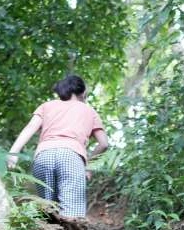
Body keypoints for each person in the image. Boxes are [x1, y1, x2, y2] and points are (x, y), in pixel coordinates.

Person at [6, 74, 109, 221]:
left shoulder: (47, 106)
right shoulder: (89, 111)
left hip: (43, 156)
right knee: (72, 216)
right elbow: (104, 143)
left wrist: (13, 152)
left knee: (48, 211)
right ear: (82, 91)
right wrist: (88, 166)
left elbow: (30, 128)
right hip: (72, 157)